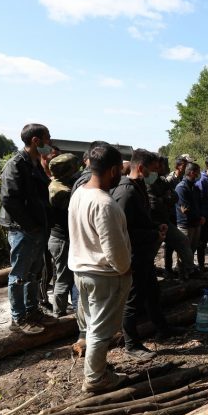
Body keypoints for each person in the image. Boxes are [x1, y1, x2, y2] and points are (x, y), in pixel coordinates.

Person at [68, 143, 132, 392]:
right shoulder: (104, 203)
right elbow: (114, 248)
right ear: (114, 170)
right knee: (100, 330)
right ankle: (95, 379)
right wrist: (125, 269)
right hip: (103, 275)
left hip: (82, 270)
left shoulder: (79, 194)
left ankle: (98, 368)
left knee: (92, 324)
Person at [0, 123, 57, 335]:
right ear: (36, 140)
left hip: (37, 228)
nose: (49, 142)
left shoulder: (34, 163)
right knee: (19, 275)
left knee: (34, 273)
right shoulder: (15, 164)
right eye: (47, 138)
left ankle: (33, 311)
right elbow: (9, 199)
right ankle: (18, 318)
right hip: (22, 229)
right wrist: (29, 226)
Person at [110, 149, 169, 359]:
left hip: (144, 253)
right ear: (141, 168)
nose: (156, 174)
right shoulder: (125, 192)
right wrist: (153, 232)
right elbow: (123, 230)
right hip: (133, 255)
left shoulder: (140, 186)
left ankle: (163, 328)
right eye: (153, 170)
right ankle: (131, 344)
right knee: (132, 300)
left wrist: (156, 227)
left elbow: (141, 220)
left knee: (153, 293)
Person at [47, 153, 81, 317]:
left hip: (61, 239)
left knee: (64, 276)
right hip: (61, 240)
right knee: (63, 278)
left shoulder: (60, 185)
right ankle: (58, 313)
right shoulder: (60, 191)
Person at [163, 155, 196, 279]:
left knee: (180, 243)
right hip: (172, 215)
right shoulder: (170, 179)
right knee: (170, 244)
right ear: (178, 166)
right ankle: (168, 269)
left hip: (179, 215)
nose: (186, 166)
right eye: (184, 164)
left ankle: (179, 267)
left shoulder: (184, 179)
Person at [176, 162, 205, 262]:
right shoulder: (181, 188)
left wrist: (201, 216)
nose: (199, 174)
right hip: (186, 225)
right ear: (192, 173)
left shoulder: (195, 187)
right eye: (198, 172)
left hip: (196, 223)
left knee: (192, 250)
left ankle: (189, 269)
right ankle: (182, 273)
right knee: (184, 251)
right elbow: (185, 209)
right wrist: (198, 218)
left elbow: (199, 204)